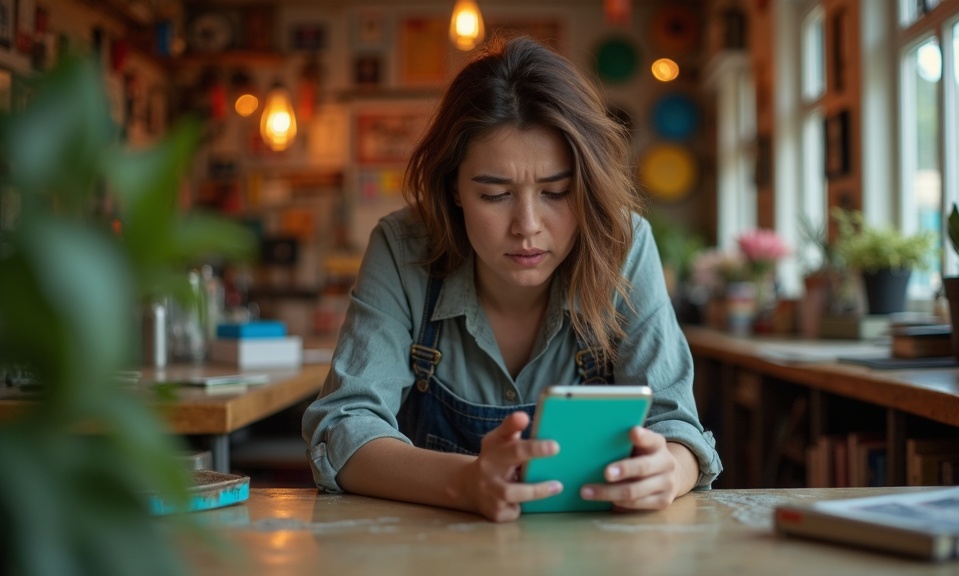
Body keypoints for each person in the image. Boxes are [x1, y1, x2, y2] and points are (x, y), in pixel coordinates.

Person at [302, 35, 722, 522]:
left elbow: (676, 427)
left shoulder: (623, 244)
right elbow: (344, 427)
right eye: (495, 195)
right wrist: (465, 482)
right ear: (454, 189)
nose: (527, 226)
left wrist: (667, 472)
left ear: (586, 188)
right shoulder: (403, 247)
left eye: (557, 192)